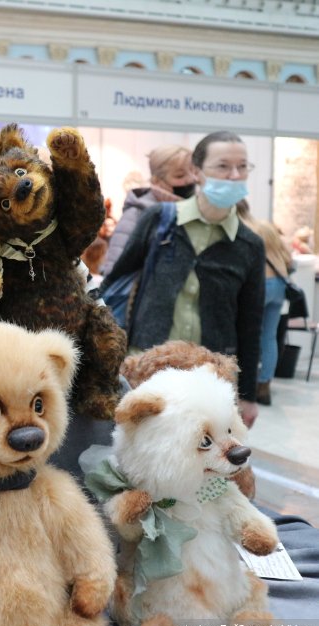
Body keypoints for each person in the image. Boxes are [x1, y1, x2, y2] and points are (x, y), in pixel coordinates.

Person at [101, 130, 265, 427]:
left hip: (210, 378)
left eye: (242, 167)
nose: (234, 175)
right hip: (147, 368)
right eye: (223, 166)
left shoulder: (249, 244)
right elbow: (115, 282)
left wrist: (248, 395)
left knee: (200, 450)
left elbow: (250, 326)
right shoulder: (159, 220)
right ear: (196, 171)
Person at [102, 144, 196, 276]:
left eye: (194, 172)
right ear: (157, 181)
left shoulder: (195, 212)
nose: (190, 180)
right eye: (180, 176)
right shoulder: (136, 214)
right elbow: (113, 270)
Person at [238, 204, 293, 406]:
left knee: (248, 334)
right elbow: (288, 257)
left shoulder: (244, 228)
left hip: (262, 284)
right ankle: (264, 386)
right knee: (270, 336)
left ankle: (245, 385)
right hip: (280, 284)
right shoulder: (266, 226)